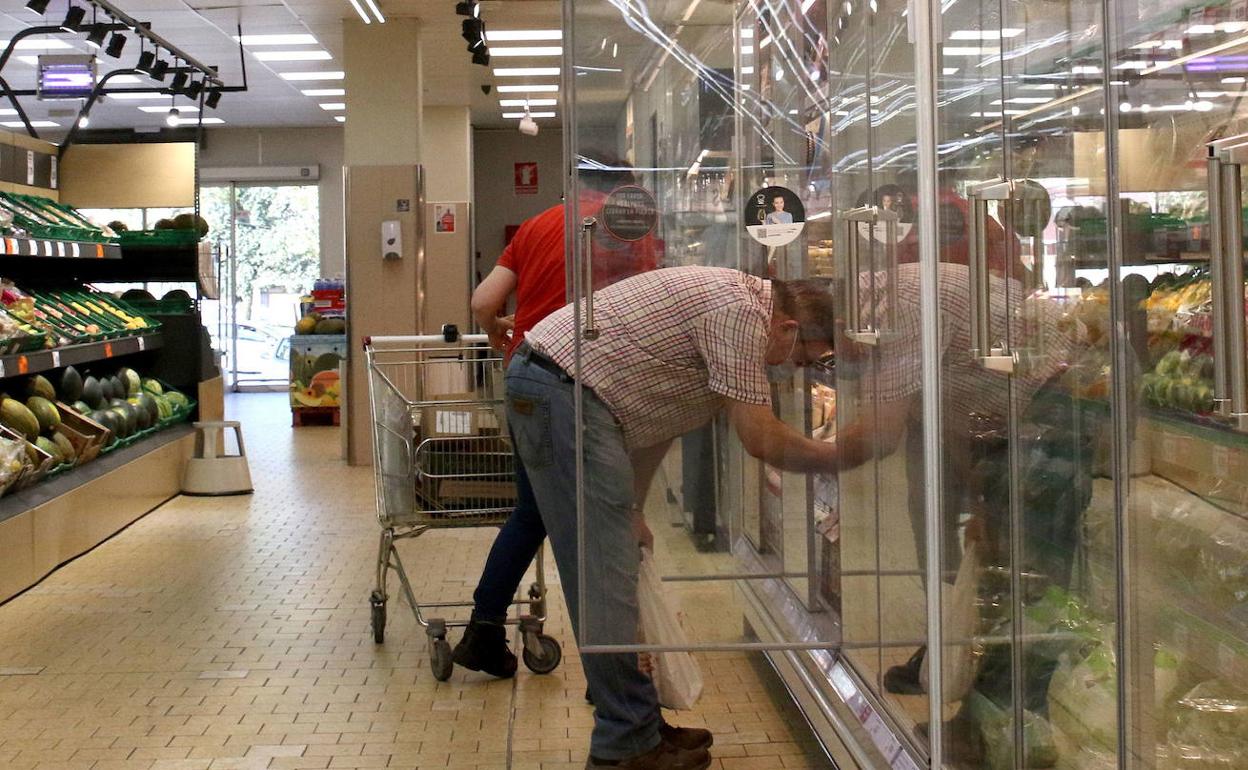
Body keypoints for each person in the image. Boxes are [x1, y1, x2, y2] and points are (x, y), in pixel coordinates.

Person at [508, 267, 839, 770]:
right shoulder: (742, 316)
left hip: (567, 390)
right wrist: (844, 454)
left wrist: (634, 508)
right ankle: (624, 745)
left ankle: (638, 722)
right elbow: (761, 438)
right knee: (603, 573)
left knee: (613, 563)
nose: (791, 372)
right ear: (789, 329)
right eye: (798, 360)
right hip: (563, 392)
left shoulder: (744, 309)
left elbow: (658, 416)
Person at [452, 163, 661, 679]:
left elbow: (483, 301)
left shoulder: (538, 224)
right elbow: (652, 303)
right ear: (625, 189)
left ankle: (483, 628)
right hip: (587, 386)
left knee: (533, 512)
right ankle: (616, 663)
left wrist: (500, 330)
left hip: (525, 377)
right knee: (600, 520)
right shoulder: (629, 229)